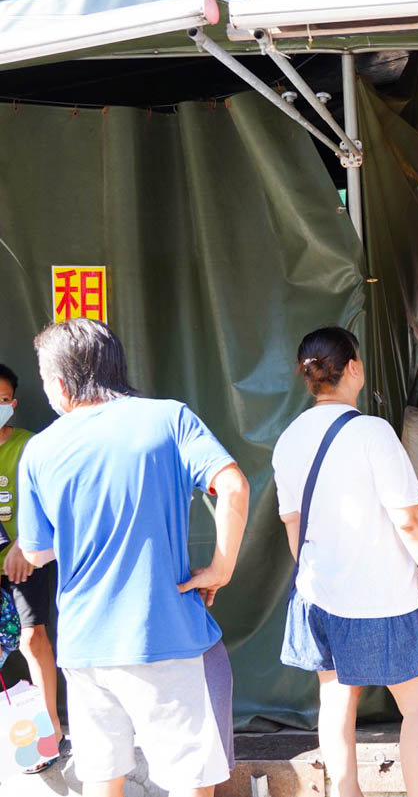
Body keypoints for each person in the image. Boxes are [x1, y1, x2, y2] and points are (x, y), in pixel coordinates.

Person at [17, 319, 250, 797]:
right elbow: (233, 485)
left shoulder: (39, 450)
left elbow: (37, 551)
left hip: (84, 646)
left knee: (102, 776)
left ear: (60, 383)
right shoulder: (169, 418)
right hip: (166, 636)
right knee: (189, 780)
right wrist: (221, 566)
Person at [274, 327, 418, 797]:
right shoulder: (372, 432)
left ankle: (346, 792)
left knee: (335, 696)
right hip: (382, 597)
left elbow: (292, 525)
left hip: (318, 596)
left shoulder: (288, 439)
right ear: (353, 367)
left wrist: (322, 577)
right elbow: (409, 521)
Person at [0, 362, 63, 773]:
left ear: (14, 404)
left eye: (2, 400)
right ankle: (15, 732)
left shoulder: (28, 445)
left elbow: (50, 501)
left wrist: (24, 544)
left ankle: (51, 730)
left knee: (31, 638)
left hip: (26, 562)